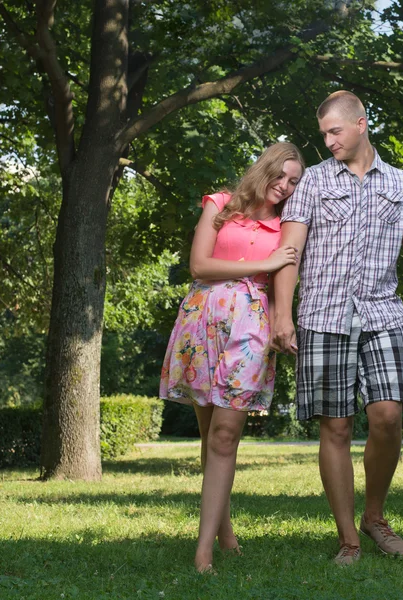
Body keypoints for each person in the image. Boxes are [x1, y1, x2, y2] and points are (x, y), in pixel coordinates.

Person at [271, 91, 403, 565]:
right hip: (323, 316)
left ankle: (374, 517)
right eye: (323, 133)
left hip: (382, 314)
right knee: (338, 426)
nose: (327, 141)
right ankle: (348, 538)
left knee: (387, 416)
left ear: (361, 124)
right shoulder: (313, 183)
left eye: (335, 132)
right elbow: (290, 253)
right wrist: (282, 315)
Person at [160, 142, 305, 572]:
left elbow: (286, 276)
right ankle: (224, 533)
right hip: (202, 318)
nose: (284, 186)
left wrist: (284, 319)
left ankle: (202, 550)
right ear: (264, 170)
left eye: (294, 181)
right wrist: (263, 260)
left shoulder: (287, 226)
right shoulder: (220, 204)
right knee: (208, 434)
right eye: (280, 175)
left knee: (225, 434)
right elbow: (199, 266)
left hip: (251, 325)